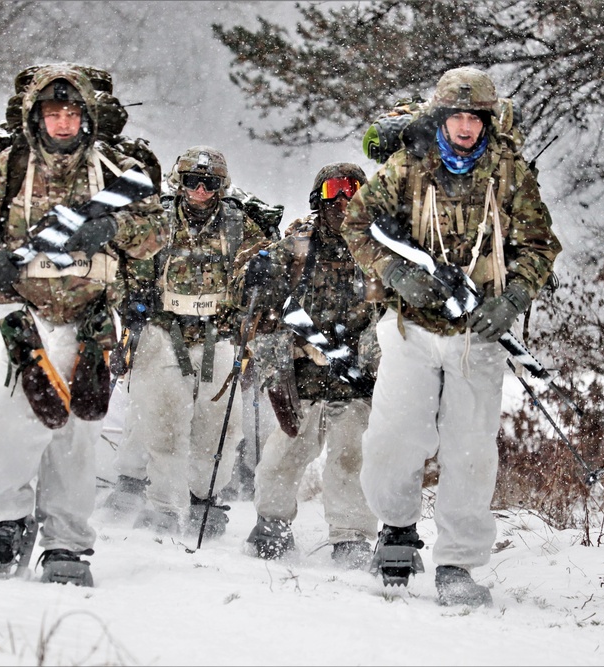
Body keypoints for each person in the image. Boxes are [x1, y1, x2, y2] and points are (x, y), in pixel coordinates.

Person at [341, 66, 561, 606]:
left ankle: (458, 562)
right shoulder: (406, 164)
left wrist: (512, 300)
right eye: (457, 117)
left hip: (478, 334)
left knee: (469, 451)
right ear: (442, 118)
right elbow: (356, 223)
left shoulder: (508, 173)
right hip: (410, 327)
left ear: (487, 120)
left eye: (475, 118)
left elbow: (540, 245)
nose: (465, 127)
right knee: (394, 438)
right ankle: (395, 531)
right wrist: (396, 274)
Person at [0, 62, 167, 586]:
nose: (62, 123)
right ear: (35, 117)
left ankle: (66, 540)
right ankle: (1, 523)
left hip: (88, 318)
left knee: (76, 434)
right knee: (8, 420)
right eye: (52, 113)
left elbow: (156, 231)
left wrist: (114, 225)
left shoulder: (115, 171)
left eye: (71, 113)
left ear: (86, 118)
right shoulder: (7, 168)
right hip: (20, 313)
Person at [116, 145, 264, 538]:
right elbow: (128, 268)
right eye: (192, 182)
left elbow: (259, 268)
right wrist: (133, 305)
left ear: (221, 186)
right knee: (163, 422)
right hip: (164, 331)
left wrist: (260, 278)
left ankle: (205, 498)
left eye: (209, 183)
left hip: (218, 333)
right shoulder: (159, 220)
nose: (200, 191)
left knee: (218, 426)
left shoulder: (239, 225)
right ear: (178, 183)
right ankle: (162, 502)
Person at [242, 163, 380, 568]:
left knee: (351, 455)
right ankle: (271, 524)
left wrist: (372, 362)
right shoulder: (294, 250)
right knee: (284, 452)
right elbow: (261, 317)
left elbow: (388, 316)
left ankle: (352, 536)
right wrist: (273, 371)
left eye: (353, 189)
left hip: (354, 376)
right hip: (301, 375)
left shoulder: (376, 251)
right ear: (319, 196)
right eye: (335, 189)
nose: (343, 198)